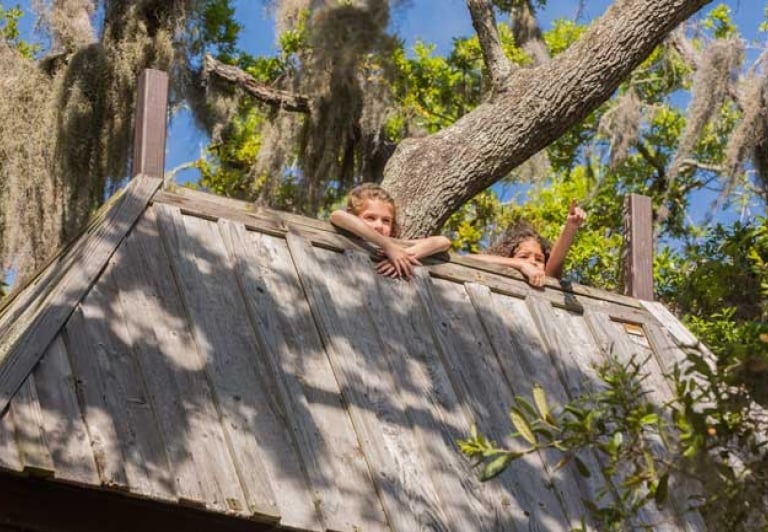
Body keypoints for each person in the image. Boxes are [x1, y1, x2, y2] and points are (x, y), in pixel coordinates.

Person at [329, 183, 451, 280]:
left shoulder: (397, 247)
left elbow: (443, 241)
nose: (379, 225)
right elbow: (337, 215)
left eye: (386, 221)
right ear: (355, 216)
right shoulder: (386, 245)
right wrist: (387, 246)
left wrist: (403, 255)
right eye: (370, 218)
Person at [470, 200, 587, 287]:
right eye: (523, 256)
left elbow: (556, 259)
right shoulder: (499, 278)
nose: (532, 262)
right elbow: (470, 259)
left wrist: (571, 226)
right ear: (510, 258)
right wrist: (521, 264)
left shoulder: (546, 281)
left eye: (539, 259)